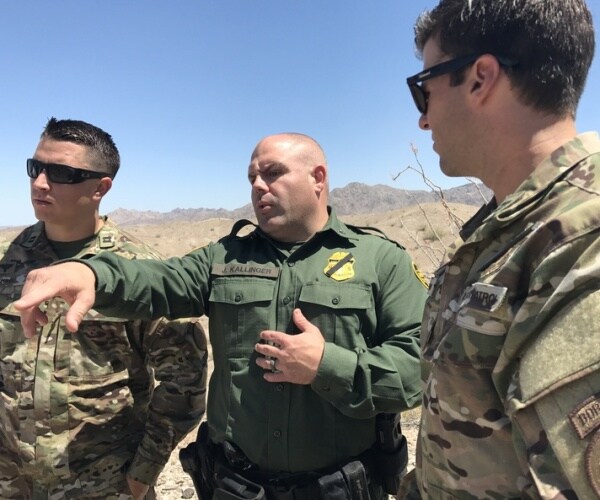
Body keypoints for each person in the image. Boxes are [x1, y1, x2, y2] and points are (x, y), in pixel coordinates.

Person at [14, 132, 428, 499]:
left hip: (338, 487)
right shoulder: (225, 258)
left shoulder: (380, 261)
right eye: (252, 177)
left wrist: (326, 366)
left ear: (318, 178)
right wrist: (93, 273)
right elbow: (161, 280)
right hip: (237, 486)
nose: (258, 186)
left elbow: (419, 368)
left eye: (273, 173)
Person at [398, 0, 599, 498]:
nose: (423, 120)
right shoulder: (510, 230)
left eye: (424, 90)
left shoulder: (580, 245)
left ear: (480, 79)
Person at [0, 118, 208, 499]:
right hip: (12, 482)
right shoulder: (7, 260)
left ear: (101, 187)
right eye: (36, 168)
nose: (40, 183)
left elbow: (185, 381)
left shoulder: (140, 274)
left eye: (61, 173)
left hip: (103, 486)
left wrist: (143, 471)